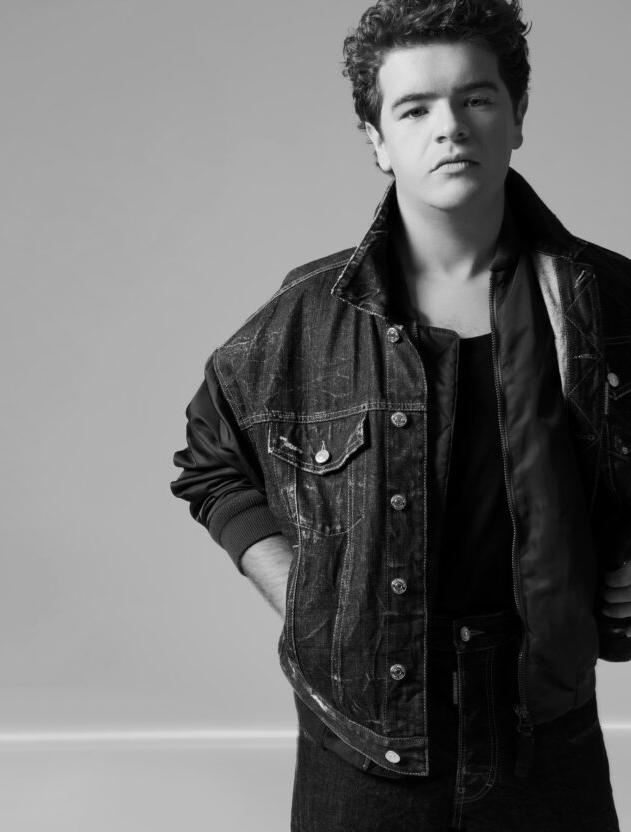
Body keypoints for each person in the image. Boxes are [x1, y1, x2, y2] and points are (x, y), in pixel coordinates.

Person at [171, 1, 631, 828]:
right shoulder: (310, 318)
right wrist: (306, 596)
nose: (449, 127)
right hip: (361, 743)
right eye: (415, 109)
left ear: (517, 116)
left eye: (476, 98)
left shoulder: (610, 300)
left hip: (545, 729)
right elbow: (211, 462)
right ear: (378, 140)